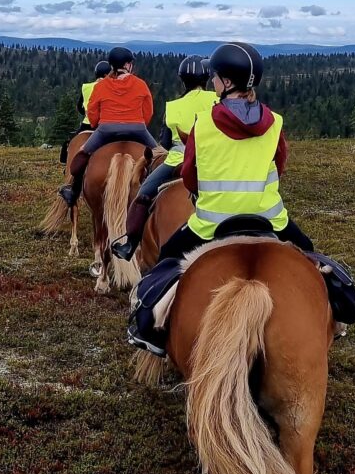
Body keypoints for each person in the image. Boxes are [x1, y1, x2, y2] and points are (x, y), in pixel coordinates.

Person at [127, 40, 314, 354]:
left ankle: (150, 331)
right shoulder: (275, 122)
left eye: (215, 76)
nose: (212, 81)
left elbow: (189, 173)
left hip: (211, 225)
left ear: (227, 82)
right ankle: (335, 319)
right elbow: (278, 165)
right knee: (312, 260)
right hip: (270, 219)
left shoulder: (206, 123)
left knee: (165, 264)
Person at [112, 55, 215, 260]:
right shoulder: (218, 100)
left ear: (182, 80)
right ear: (206, 79)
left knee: (143, 195)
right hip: (213, 160)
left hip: (178, 161)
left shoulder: (173, 106)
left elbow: (166, 144)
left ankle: (130, 244)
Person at [58, 46, 157, 209]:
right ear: (128, 65)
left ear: (112, 66)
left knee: (81, 156)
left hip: (106, 130)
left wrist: (98, 125)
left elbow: (92, 112)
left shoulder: (101, 86)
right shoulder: (141, 84)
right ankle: (155, 193)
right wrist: (139, 125)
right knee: (160, 156)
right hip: (138, 129)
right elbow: (148, 112)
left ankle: (73, 191)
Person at [60, 59, 110, 165]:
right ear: (107, 74)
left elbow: (79, 107)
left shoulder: (86, 87)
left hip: (88, 124)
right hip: (105, 124)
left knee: (70, 141)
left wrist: (86, 113)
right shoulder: (110, 87)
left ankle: (65, 162)